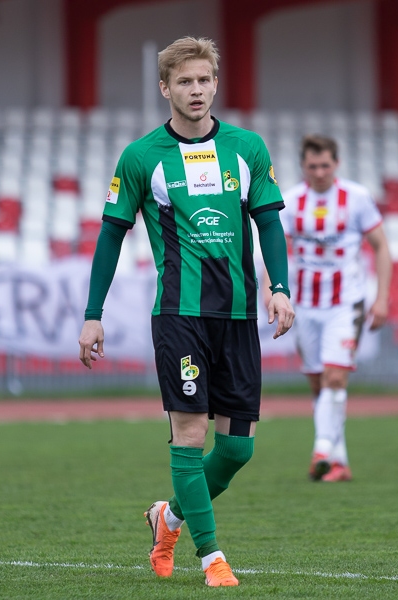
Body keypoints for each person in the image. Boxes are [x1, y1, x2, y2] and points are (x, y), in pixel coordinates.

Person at [78, 36, 295, 588]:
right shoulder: (141, 157)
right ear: (164, 88)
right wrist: (93, 312)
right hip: (179, 316)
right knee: (191, 434)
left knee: (238, 449)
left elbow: (269, 223)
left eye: (203, 80)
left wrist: (280, 288)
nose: (195, 90)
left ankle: (168, 517)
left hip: (239, 316)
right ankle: (211, 557)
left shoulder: (247, 148)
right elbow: (111, 235)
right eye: (184, 81)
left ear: (215, 84)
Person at [272, 134, 391, 483]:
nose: (320, 172)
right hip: (305, 305)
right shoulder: (291, 201)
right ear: (303, 166)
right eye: (313, 166)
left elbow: (382, 247)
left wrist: (382, 297)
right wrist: (271, 289)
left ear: (336, 164)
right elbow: (275, 247)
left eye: (325, 165)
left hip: (345, 303)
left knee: (335, 377)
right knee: (318, 384)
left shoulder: (356, 198)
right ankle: (339, 463)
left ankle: (322, 448)